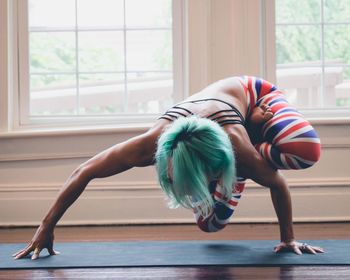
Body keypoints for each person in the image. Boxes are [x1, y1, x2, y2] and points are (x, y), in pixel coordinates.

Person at [13, 76, 324, 260]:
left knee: (304, 151)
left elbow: (278, 183)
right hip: (226, 128)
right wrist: (46, 226)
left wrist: (288, 239)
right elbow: (84, 171)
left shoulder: (235, 142)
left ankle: (253, 138)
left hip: (257, 96)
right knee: (210, 225)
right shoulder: (149, 144)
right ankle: (239, 168)